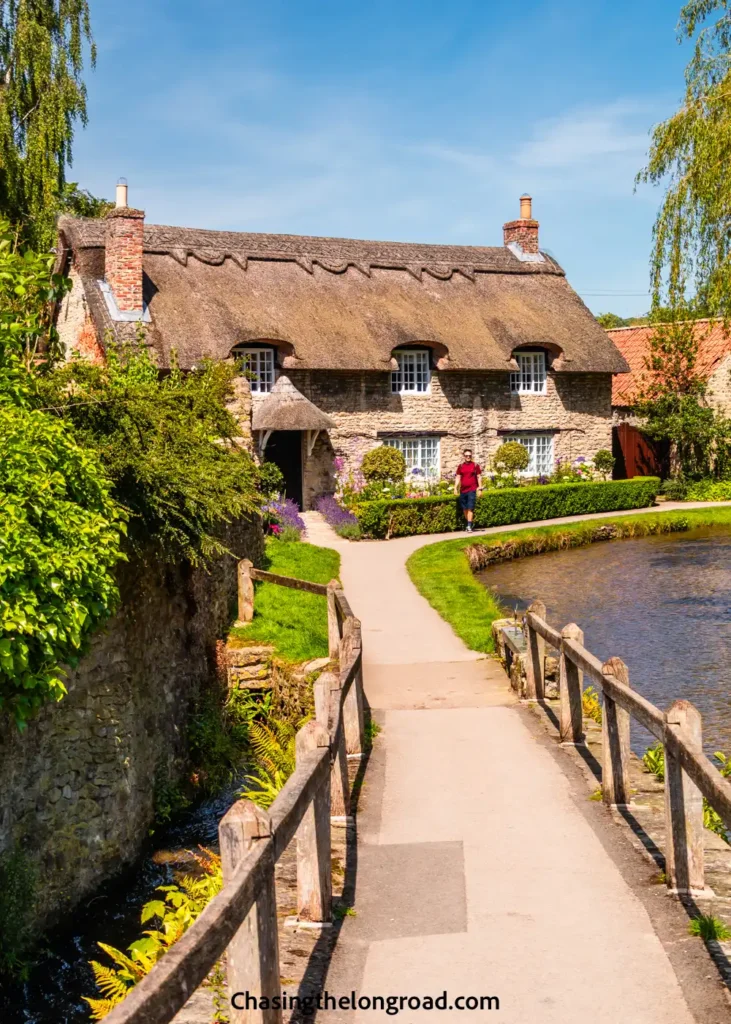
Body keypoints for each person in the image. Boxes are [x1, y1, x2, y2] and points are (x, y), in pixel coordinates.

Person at [454, 449, 482, 532]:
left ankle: (469, 526)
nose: (468, 457)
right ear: (464, 456)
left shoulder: (475, 465)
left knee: (470, 508)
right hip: (463, 490)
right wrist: (455, 488)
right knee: (465, 509)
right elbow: (458, 477)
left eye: (470, 455)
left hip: (472, 489)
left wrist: (480, 488)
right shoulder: (461, 466)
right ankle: (468, 523)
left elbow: (479, 477)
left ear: (471, 456)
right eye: (466, 455)